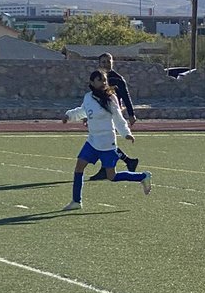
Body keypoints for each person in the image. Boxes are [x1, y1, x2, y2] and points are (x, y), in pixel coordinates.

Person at [61, 69, 152, 211]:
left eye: (104, 80)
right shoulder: (88, 97)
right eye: (99, 80)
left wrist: (126, 133)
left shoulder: (111, 99)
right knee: (79, 167)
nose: (103, 83)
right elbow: (82, 111)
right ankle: (76, 201)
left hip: (107, 143)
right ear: (92, 82)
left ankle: (143, 176)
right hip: (92, 141)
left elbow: (118, 118)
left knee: (112, 176)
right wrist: (69, 116)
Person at [88, 52, 139, 179]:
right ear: (99, 64)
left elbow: (126, 96)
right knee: (105, 141)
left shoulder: (117, 79)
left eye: (108, 61)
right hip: (100, 114)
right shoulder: (97, 78)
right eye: (103, 62)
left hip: (111, 113)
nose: (106, 63)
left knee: (104, 141)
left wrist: (131, 114)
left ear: (112, 62)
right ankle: (127, 161)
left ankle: (108, 168)